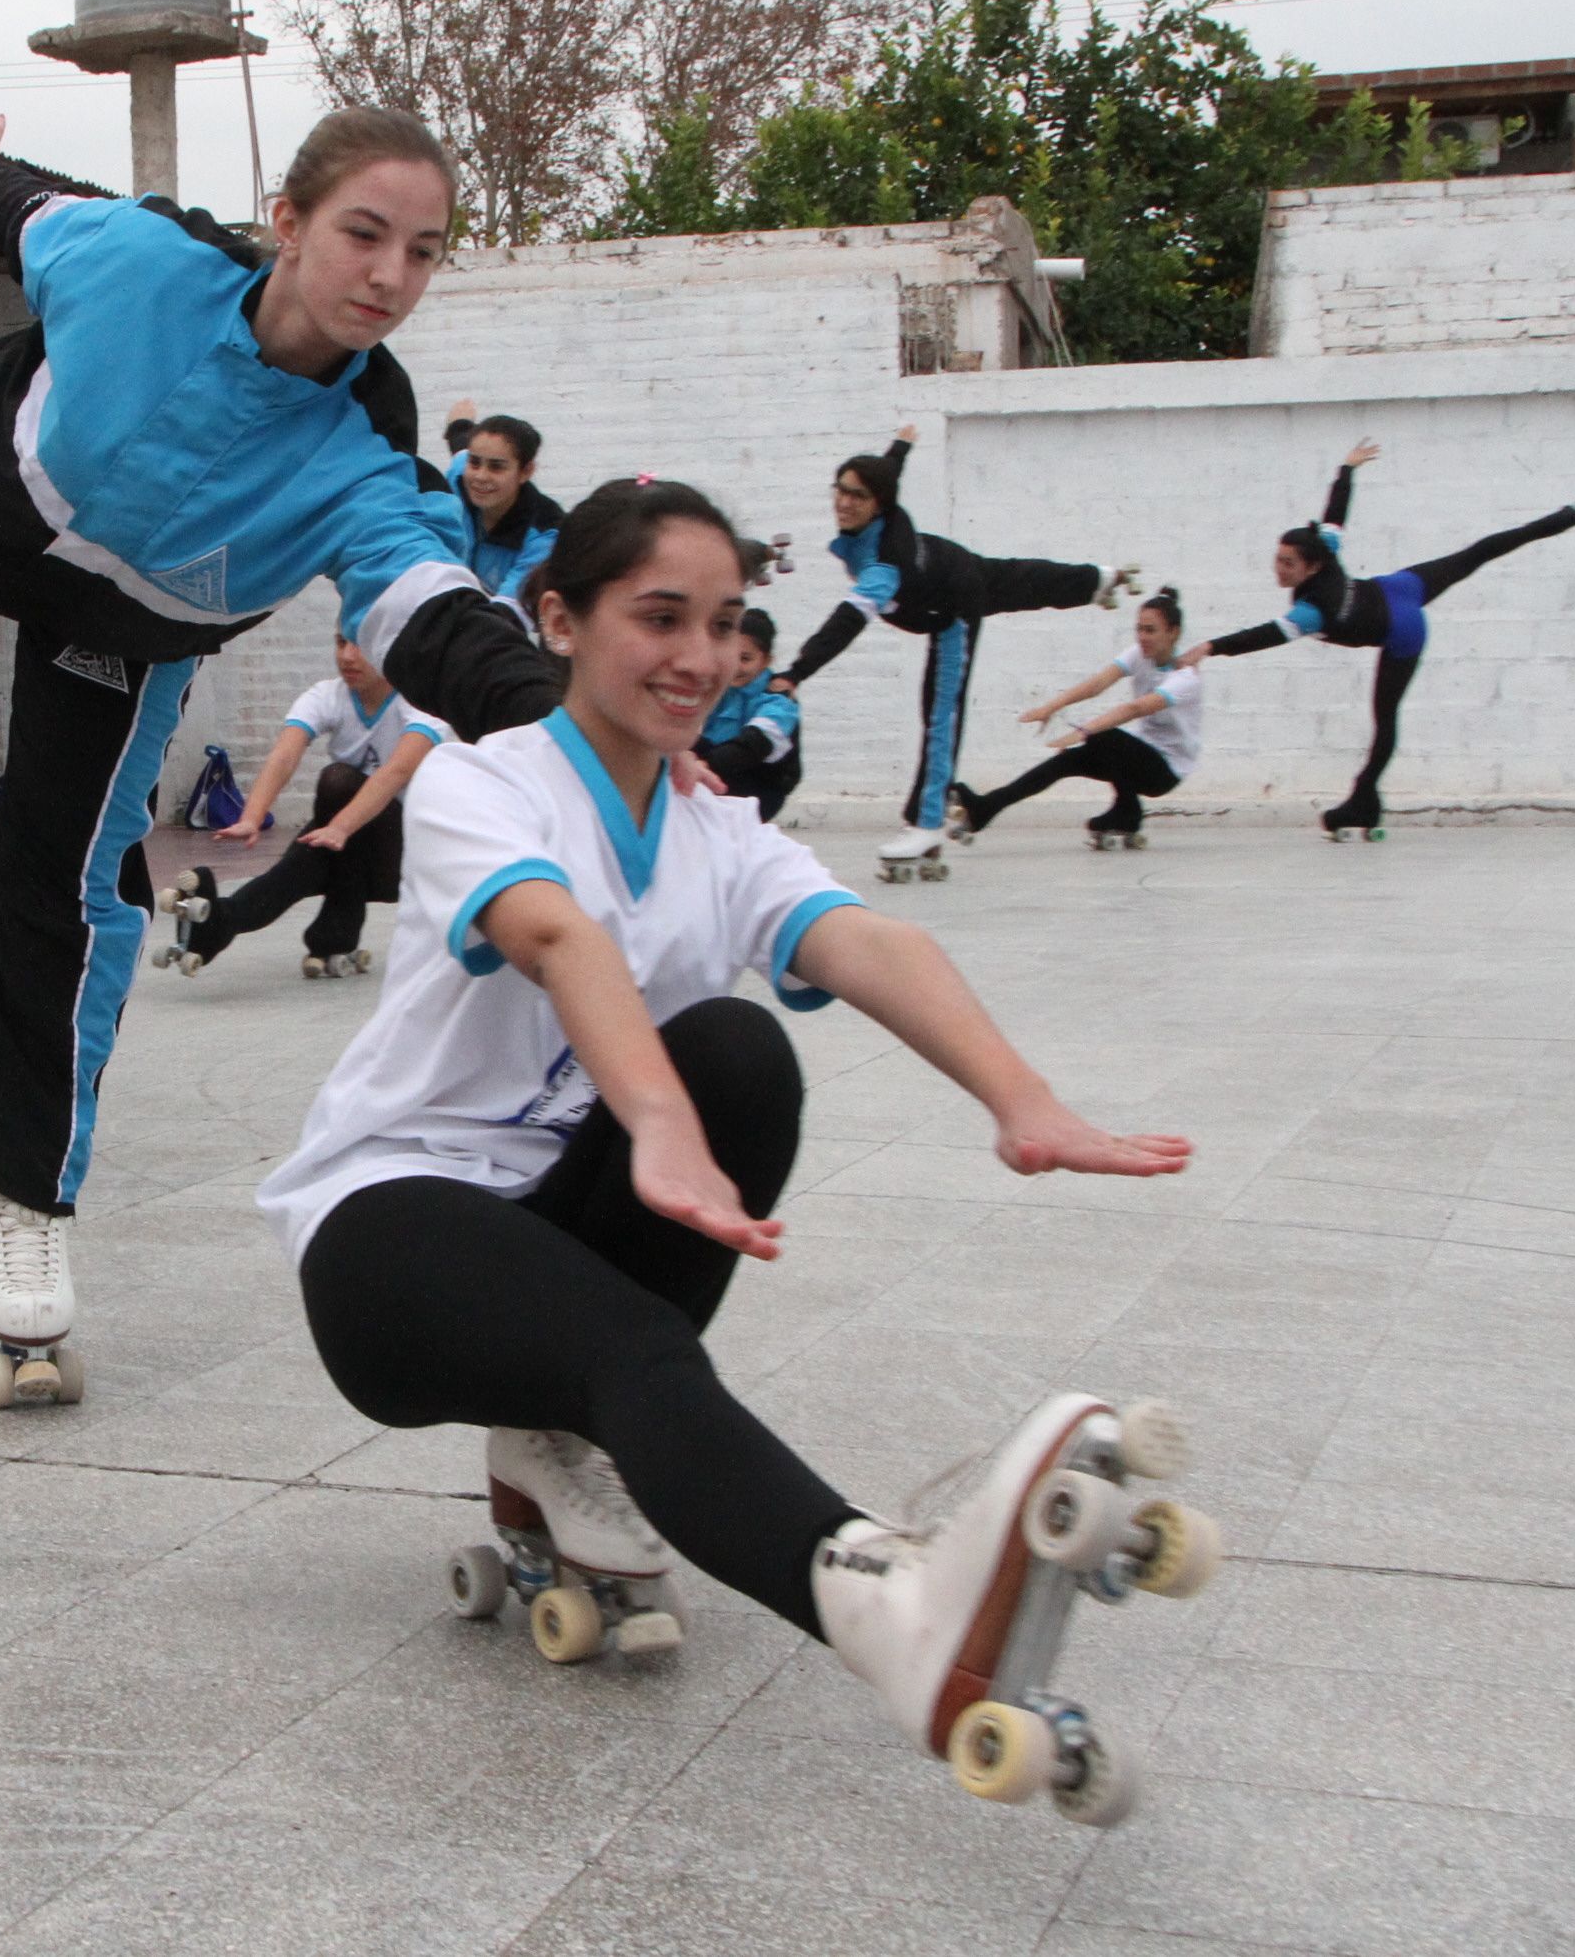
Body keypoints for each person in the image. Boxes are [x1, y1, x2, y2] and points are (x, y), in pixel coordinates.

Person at [258, 478, 1202, 1808]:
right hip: (391, 1237)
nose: (700, 656)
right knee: (640, 1332)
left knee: (739, 1052)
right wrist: (653, 1121)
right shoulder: (482, 780)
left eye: (723, 623)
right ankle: (886, 1602)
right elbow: (553, 931)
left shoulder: (716, 827)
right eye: (660, 617)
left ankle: (557, 1435)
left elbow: (868, 939)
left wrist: (1021, 1100)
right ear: (560, 621)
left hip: (554, 1218)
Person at [0, 93, 567, 1403]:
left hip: (120, 630)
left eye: (422, 251)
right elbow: (19, 204)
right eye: (363, 233)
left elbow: (425, 611)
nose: (389, 276)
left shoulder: (364, 455)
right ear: (287, 223)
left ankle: (25, 1199)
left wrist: (565, 725)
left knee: (69, 888)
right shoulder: (141, 262)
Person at [769, 429, 1142, 881]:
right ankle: (1099, 580)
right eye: (840, 490)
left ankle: (926, 823)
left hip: (950, 605)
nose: (844, 503)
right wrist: (901, 446)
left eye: (857, 496)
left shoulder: (884, 565)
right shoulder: (879, 514)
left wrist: (796, 672)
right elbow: (890, 471)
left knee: (941, 713)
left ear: (878, 505)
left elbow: (844, 624)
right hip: (950, 563)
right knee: (1021, 580)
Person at [1178, 441, 1575, 837]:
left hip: (1402, 627)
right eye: (1278, 559)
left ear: (1311, 567)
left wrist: (1211, 647)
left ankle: (1363, 799)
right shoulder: (1325, 548)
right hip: (1399, 587)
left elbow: (1263, 636)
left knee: (1385, 717)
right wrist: (1347, 469)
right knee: (1476, 554)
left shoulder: (1312, 611)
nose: (1279, 568)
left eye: (1288, 563)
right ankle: (1570, 515)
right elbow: (1336, 513)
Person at [154, 628, 445, 979]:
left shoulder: (422, 701)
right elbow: (285, 754)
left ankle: (335, 927)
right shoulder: (327, 695)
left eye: (361, 646)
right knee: (293, 871)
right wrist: (251, 817)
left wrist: (341, 827)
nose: (347, 656)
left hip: (406, 857)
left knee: (338, 782)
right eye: (341, 642)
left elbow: (396, 772)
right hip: (346, 844)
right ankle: (221, 922)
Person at [949, 589, 1200, 849]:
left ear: (1173, 633)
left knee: (1105, 737)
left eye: (1150, 630)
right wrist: (1051, 707)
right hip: (1138, 757)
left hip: (1166, 771)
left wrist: (1085, 731)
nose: (1142, 637)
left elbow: (1135, 708)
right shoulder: (1139, 654)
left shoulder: (1186, 679)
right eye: (1139, 629)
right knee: (1065, 761)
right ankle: (985, 808)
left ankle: (1128, 810)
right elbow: (1097, 684)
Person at [442, 399, 564, 605]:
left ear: (526, 471)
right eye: (475, 463)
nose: (480, 476)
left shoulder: (544, 536)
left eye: (496, 467)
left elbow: (506, 610)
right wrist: (459, 426)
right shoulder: (459, 479)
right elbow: (461, 453)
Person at [694, 606, 800, 822]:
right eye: (728, 656)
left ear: (766, 660)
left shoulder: (778, 699)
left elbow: (753, 745)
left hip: (760, 786)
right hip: (721, 771)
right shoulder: (718, 686)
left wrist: (703, 766)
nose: (734, 667)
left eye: (745, 658)